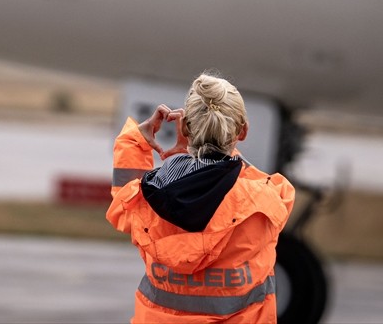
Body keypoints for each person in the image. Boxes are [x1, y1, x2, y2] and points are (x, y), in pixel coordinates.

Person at [107, 72, 294, 323]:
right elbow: (262, 182)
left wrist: (134, 142)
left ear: (184, 127)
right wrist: (213, 149)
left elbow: (123, 199)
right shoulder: (268, 202)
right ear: (242, 131)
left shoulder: (147, 200)